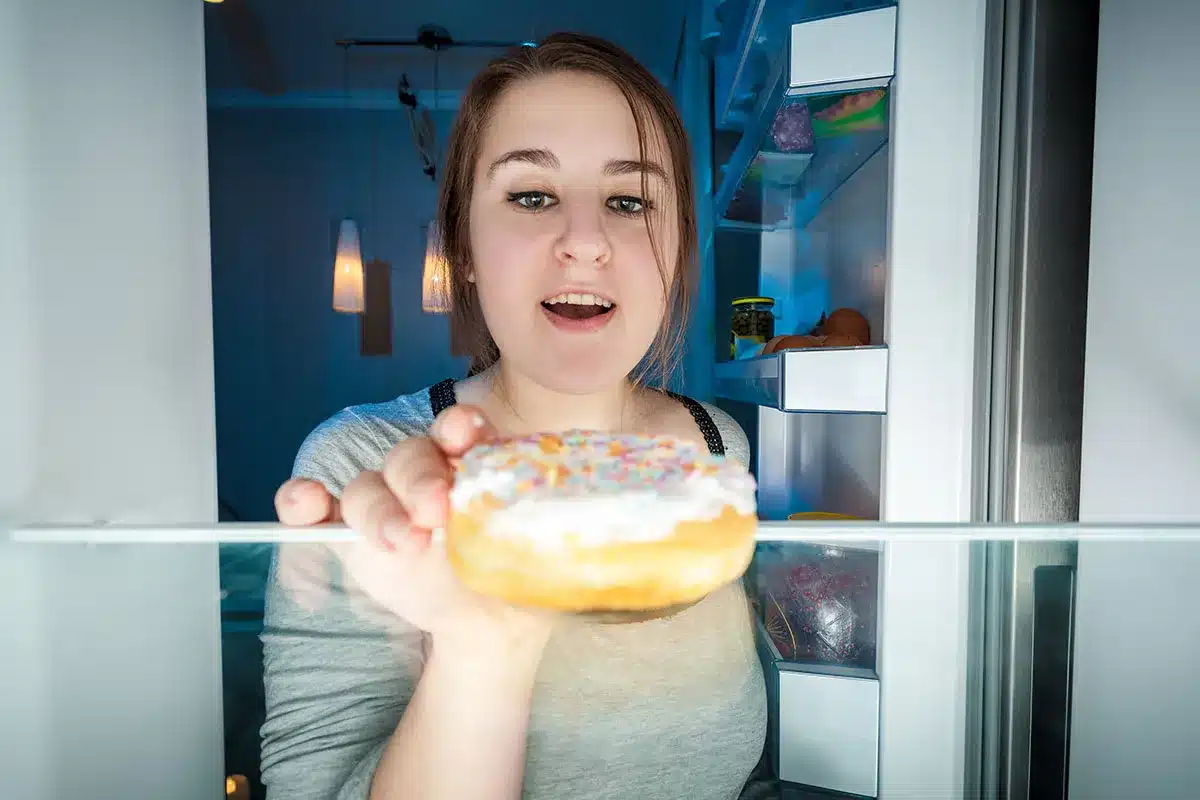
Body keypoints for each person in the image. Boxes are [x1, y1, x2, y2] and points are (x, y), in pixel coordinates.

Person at [260, 32, 768, 800]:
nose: (586, 242)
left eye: (629, 201)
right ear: (463, 245)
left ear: (676, 248)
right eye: (533, 196)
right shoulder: (360, 468)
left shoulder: (712, 445)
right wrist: (483, 640)